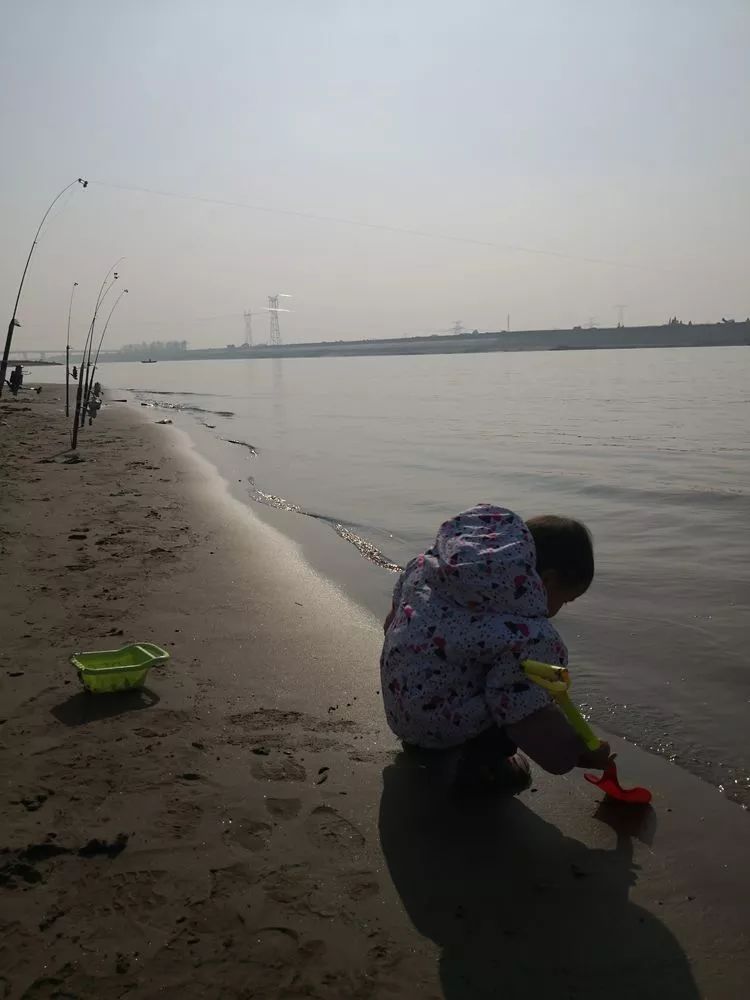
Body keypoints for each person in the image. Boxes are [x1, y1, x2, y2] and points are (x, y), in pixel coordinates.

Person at [380, 504, 611, 793]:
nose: (558, 610)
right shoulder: (528, 637)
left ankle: (433, 743)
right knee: (514, 702)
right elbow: (527, 716)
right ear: (548, 580)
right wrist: (576, 753)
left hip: (401, 709)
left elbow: (392, 624)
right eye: (565, 600)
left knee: (477, 672)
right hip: (439, 728)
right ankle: (481, 769)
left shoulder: (429, 570)